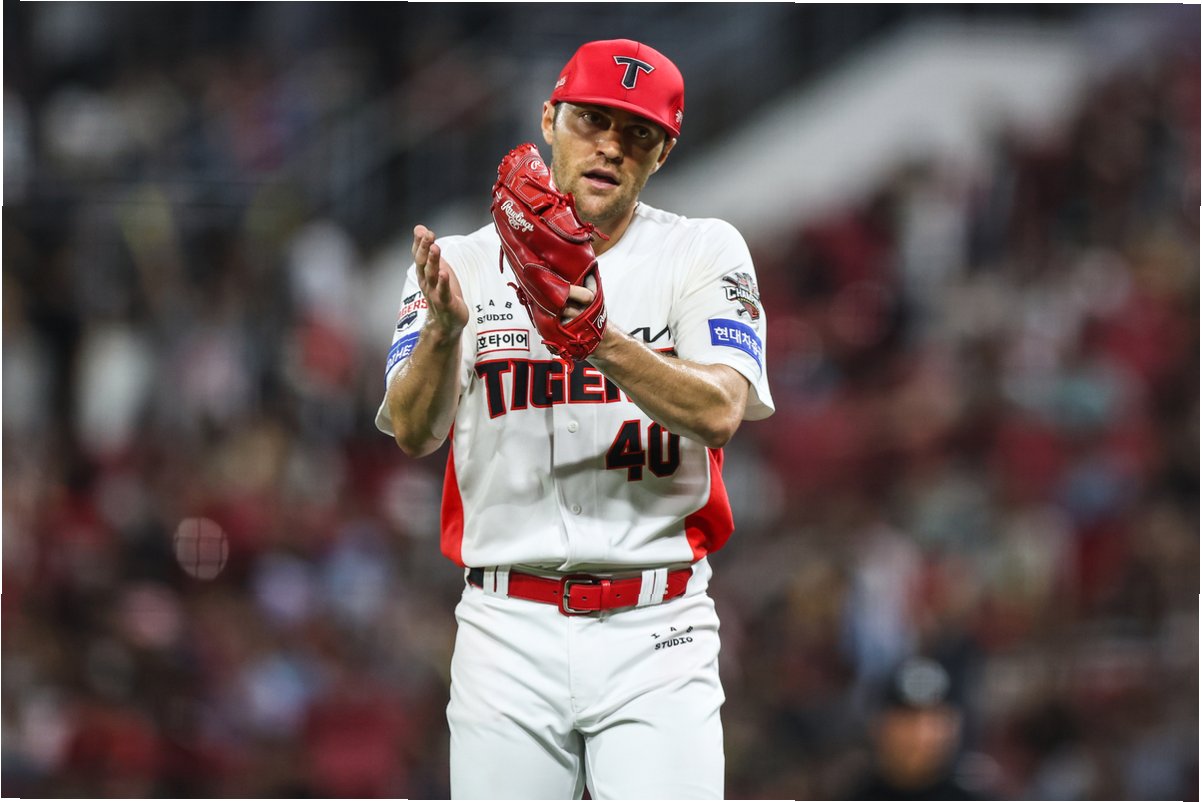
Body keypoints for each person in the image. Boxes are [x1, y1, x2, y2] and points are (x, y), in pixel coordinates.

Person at [376, 38, 774, 800]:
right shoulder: (461, 263)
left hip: (657, 627)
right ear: (549, 119)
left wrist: (598, 340)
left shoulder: (701, 252)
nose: (611, 147)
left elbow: (722, 410)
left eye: (639, 134)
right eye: (593, 120)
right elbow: (413, 431)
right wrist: (444, 333)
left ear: (662, 154)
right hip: (506, 626)